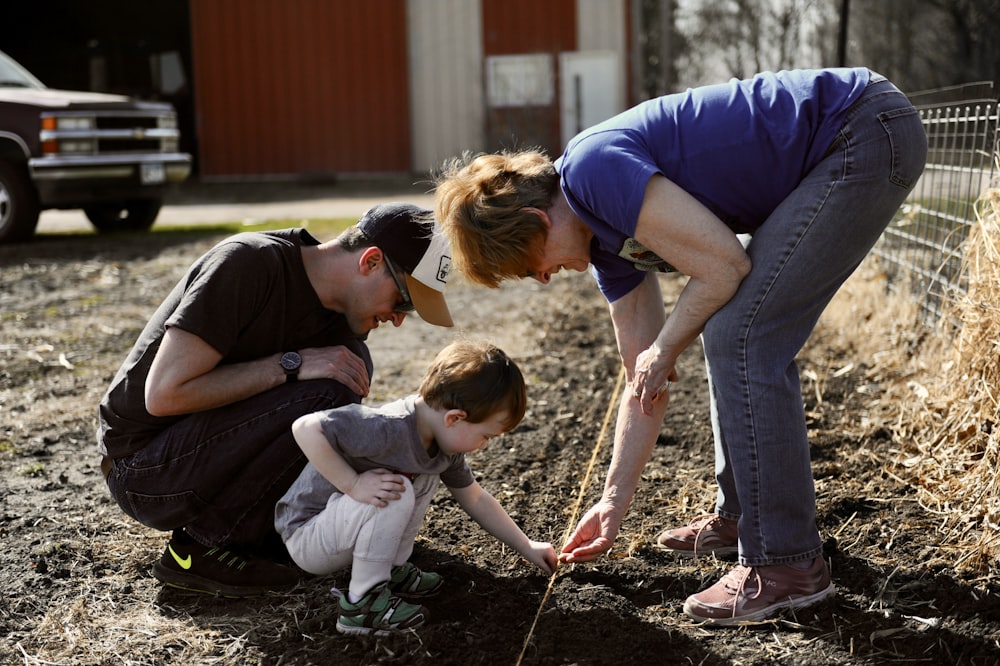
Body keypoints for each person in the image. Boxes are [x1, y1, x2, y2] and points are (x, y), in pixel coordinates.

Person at [433, 68, 927, 625]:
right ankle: (743, 517)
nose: (544, 279)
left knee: (741, 334)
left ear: (534, 219)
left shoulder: (593, 172)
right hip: (852, 133)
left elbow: (723, 265)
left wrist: (665, 347)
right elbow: (642, 381)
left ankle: (787, 563)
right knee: (730, 329)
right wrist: (613, 502)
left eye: (530, 266)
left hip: (860, 130)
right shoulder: (607, 247)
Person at [97, 202, 455, 598]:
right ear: (370, 262)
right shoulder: (248, 264)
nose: (399, 318)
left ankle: (268, 535)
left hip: (199, 456)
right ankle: (200, 547)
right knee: (328, 388)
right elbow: (163, 394)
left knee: (345, 374)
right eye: (403, 301)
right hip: (145, 470)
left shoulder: (341, 329)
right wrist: (291, 363)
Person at [274, 339, 557, 635]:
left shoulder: (443, 446)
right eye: (486, 436)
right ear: (455, 418)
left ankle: (390, 569)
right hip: (308, 535)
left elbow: (474, 498)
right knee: (397, 489)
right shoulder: (386, 426)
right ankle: (361, 605)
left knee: (423, 474)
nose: (484, 446)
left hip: (342, 528)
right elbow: (305, 428)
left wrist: (526, 546)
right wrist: (354, 483)